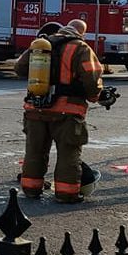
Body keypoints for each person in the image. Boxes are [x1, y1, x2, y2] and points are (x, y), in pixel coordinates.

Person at [14, 19, 106, 203]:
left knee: (35, 151)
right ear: (82, 33)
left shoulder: (41, 44)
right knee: (68, 153)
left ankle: (31, 190)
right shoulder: (80, 47)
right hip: (67, 111)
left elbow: (19, 68)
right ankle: (66, 193)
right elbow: (92, 79)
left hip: (35, 109)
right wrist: (96, 97)